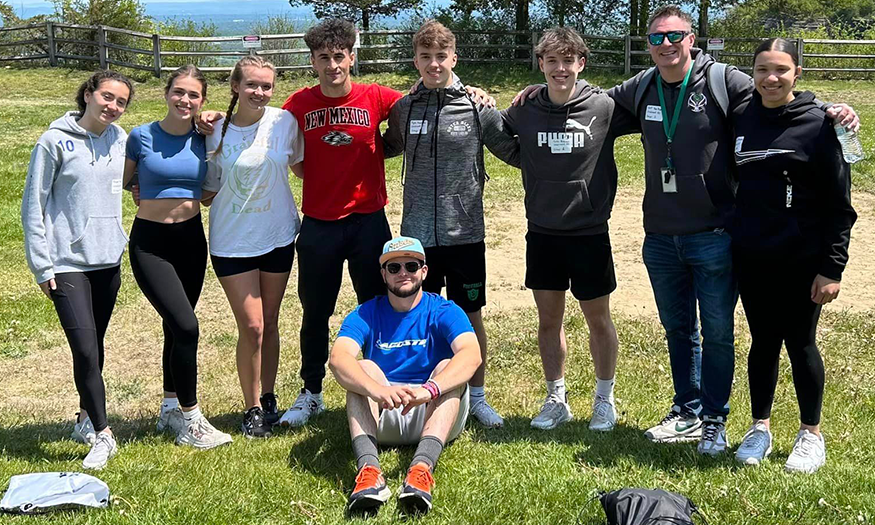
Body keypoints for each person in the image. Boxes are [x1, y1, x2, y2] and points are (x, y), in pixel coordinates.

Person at [196, 19, 494, 428]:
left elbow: (428, 91)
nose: (333, 65)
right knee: (314, 311)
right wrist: (212, 116)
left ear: (352, 57)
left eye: (340, 56)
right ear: (313, 62)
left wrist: (474, 90)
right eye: (324, 58)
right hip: (319, 224)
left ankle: (382, 384)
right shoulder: (298, 105)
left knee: (379, 309)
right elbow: (263, 128)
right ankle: (311, 392)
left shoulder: (378, 96)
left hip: (368, 222)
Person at [382, 20, 520, 428]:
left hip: (465, 234)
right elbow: (385, 145)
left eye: (441, 56)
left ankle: (476, 397)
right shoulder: (405, 107)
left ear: (453, 58)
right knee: (420, 317)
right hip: (418, 236)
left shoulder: (477, 106)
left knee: (468, 315)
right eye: (425, 57)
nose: (434, 64)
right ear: (416, 61)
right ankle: (423, 390)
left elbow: (511, 148)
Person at [500, 27, 639, 432]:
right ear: (540, 64)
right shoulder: (524, 110)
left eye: (568, 61)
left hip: (589, 231)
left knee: (598, 319)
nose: (561, 69)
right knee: (549, 321)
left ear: (581, 63)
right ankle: (556, 397)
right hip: (542, 231)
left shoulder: (604, 107)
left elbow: (655, 104)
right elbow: (496, 129)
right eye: (552, 61)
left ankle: (604, 399)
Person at [729, 38, 856, 473]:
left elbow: (842, 206)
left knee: (801, 344)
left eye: (781, 69)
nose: (771, 78)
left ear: (796, 73)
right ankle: (759, 428)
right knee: (762, 342)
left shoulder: (823, 124)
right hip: (752, 256)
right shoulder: (741, 117)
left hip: (803, 260)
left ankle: (810, 434)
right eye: (763, 69)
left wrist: (831, 268)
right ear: (753, 72)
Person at [22, 70, 134, 470]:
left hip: (107, 259)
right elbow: (33, 204)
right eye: (107, 97)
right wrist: (42, 265)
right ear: (88, 94)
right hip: (66, 263)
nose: (113, 107)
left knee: (95, 346)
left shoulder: (122, 140)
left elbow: (136, 178)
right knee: (84, 347)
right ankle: (103, 434)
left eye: (121, 102)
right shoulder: (54, 141)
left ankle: (84, 418)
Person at [328, 236, 481, 515]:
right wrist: (377, 389)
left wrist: (430, 389)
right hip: (383, 412)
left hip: (434, 412)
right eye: (394, 268)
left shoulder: (444, 309)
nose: (403, 274)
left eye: (411, 266)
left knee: (448, 365)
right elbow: (337, 360)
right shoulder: (366, 312)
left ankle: (421, 470)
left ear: (424, 271)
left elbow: (472, 355)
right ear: (383, 274)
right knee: (362, 369)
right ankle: (369, 471)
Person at [124, 65, 232, 449]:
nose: (185, 100)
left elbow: (209, 186)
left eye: (194, 95)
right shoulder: (140, 137)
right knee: (187, 326)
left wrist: (214, 118)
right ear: (166, 93)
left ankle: (170, 408)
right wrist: (140, 189)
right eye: (179, 92)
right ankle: (191, 419)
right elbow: (122, 181)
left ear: (202, 100)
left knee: (175, 326)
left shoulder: (204, 137)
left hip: (190, 239)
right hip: (150, 243)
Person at [201, 56, 305, 437]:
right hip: (232, 242)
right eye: (251, 85)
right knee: (253, 326)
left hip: (278, 235)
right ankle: (252, 407)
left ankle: (269, 396)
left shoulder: (284, 122)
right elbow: (207, 191)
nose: (259, 92)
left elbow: (303, 166)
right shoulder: (213, 130)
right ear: (235, 87)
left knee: (272, 322)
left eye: (266, 86)